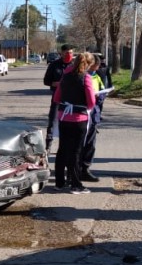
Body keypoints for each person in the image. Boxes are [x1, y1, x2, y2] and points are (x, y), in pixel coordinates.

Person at [53, 51, 97, 194]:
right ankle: (76, 184)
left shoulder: (65, 76)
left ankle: (59, 182)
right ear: (89, 64)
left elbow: (57, 97)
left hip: (64, 117)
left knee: (62, 150)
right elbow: (91, 101)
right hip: (79, 119)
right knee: (76, 152)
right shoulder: (86, 78)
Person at [43, 43, 74, 151]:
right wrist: (54, 83)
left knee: (69, 124)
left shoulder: (75, 65)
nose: (69, 55)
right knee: (52, 121)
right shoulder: (54, 65)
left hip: (71, 99)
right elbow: (46, 81)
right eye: (66, 53)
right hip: (57, 97)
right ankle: (48, 147)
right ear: (61, 53)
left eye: (71, 53)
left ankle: (65, 146)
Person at [79, 53, 105, 181]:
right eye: (93, 68)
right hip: (82, 114)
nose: (95, 70)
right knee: (79, 144)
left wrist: (100, 96)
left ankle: (85, 168)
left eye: (96, 68)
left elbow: (102, 91)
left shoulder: (98, 77)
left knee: (90, 144)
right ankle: (75, 170)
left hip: (94, 114)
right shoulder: (81, 77)